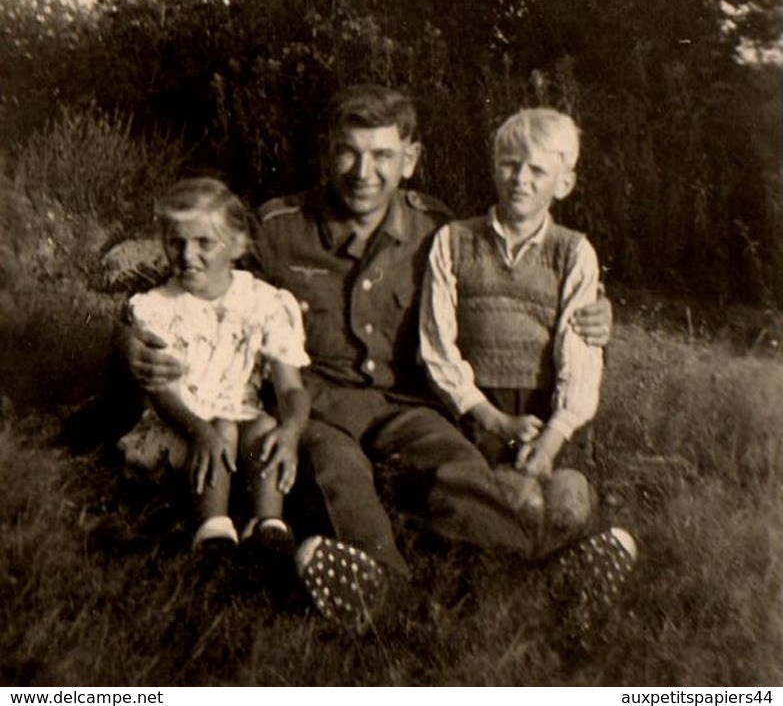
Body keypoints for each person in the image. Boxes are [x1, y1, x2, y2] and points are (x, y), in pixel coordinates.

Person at [124, 87, 633, 635]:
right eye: (348, 151)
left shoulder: (437, 231)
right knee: (339, 477)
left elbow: (518, 273)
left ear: (409, 160)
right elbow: (189, 280)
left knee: (453, 464)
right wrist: (127, 337)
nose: (363, 171)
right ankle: (381, 589)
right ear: (327, 152)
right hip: (316, 405)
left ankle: (540, 571)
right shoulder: (279, 229)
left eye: (383, 156)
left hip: (407, 403)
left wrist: (599, 313)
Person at [420, 107, 603, 535]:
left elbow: (579, 355)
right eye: (510, 164)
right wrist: (492, 419)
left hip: (550, 413)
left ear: (564, 184)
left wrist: (552, 437)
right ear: (494, 168)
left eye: (538, 169)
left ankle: (570, 559)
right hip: (477, 411)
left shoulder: (573, 253)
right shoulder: (453, 241)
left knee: (568, 502)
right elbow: (436, 345)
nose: (521, 179)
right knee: (517, 500)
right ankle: (517, 552)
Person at [118, 177, 311, 559]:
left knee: (266, 427)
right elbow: (160, 392)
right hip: (179, 423)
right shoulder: (158, 307)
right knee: (222, 427)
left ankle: (268, 526)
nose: (188, 255)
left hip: (238, 424)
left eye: (204, 243)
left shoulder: (264, 302)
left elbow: (291, 387)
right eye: (177, 242)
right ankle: (213, 531)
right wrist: (200, 429)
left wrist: (292, 428)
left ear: (237, 244)